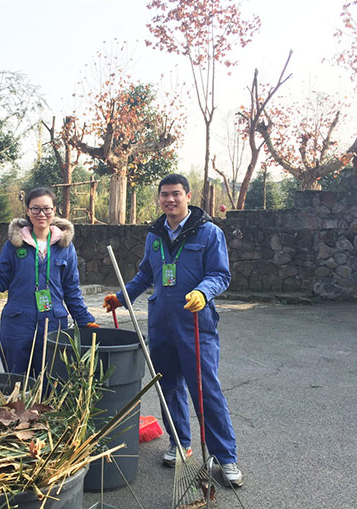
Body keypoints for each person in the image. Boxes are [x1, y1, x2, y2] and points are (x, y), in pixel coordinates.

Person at [102, 173, 244, 487]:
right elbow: (144, 275)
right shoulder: (154, 235)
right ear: (160, 198)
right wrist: (122, 297)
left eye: (176, 194)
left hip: (195, 325)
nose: (170, 199)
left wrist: (204, 292)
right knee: (169, 388)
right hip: (162, 324)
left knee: (206, 391)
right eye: (164, 194)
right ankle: (180, 443)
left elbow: (220, 275)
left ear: (188, 196)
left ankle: (226, 457)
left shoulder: (209, 233)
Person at [0, 187, 98, 378]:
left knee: (50, 381)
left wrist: (86, 320)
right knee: (17, 381)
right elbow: (0, 280)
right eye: (35, 208)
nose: (41, 214)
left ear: (55, 210)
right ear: (27, 211)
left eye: (47, 208)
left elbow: (71, 291)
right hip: (17, 325)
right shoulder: (14, 244)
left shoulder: (65, 247)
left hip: (53, 324)